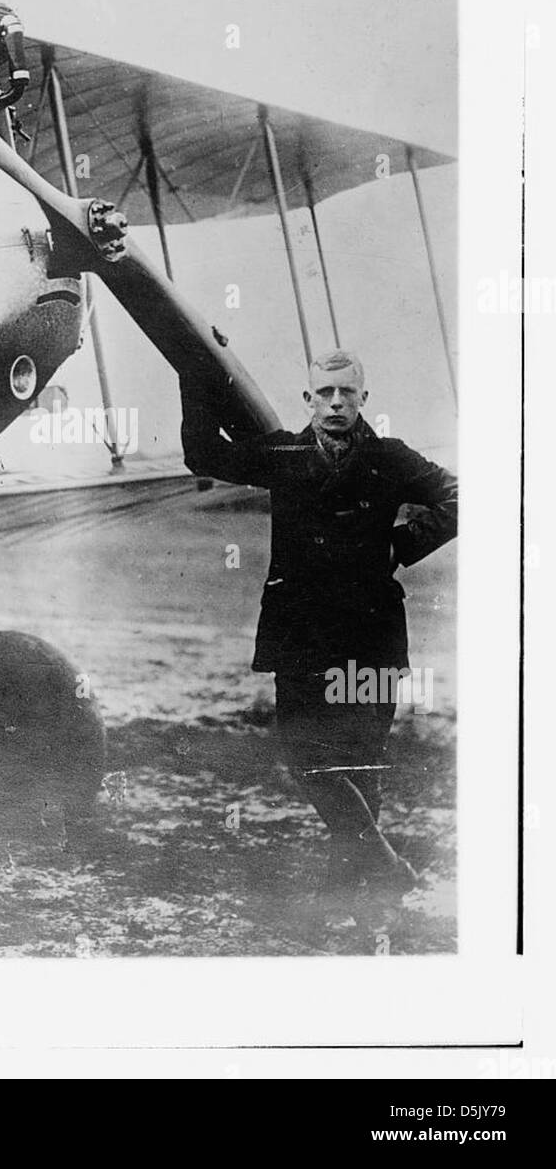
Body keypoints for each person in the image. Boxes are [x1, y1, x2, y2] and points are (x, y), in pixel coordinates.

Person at [180, 348, 457, 903]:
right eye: (324, 394)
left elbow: (459, 495)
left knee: (362, 764)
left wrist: (403, 545)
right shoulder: (284, 451)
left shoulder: (392, 459)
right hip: (302, 635)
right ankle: (383, 863)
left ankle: (353, 898)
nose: (335, 404)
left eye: (346, 393)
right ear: (308, 400)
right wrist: (195, 371)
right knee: (304, 756)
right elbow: (203, 453)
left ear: (363, 399)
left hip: (371, 635)